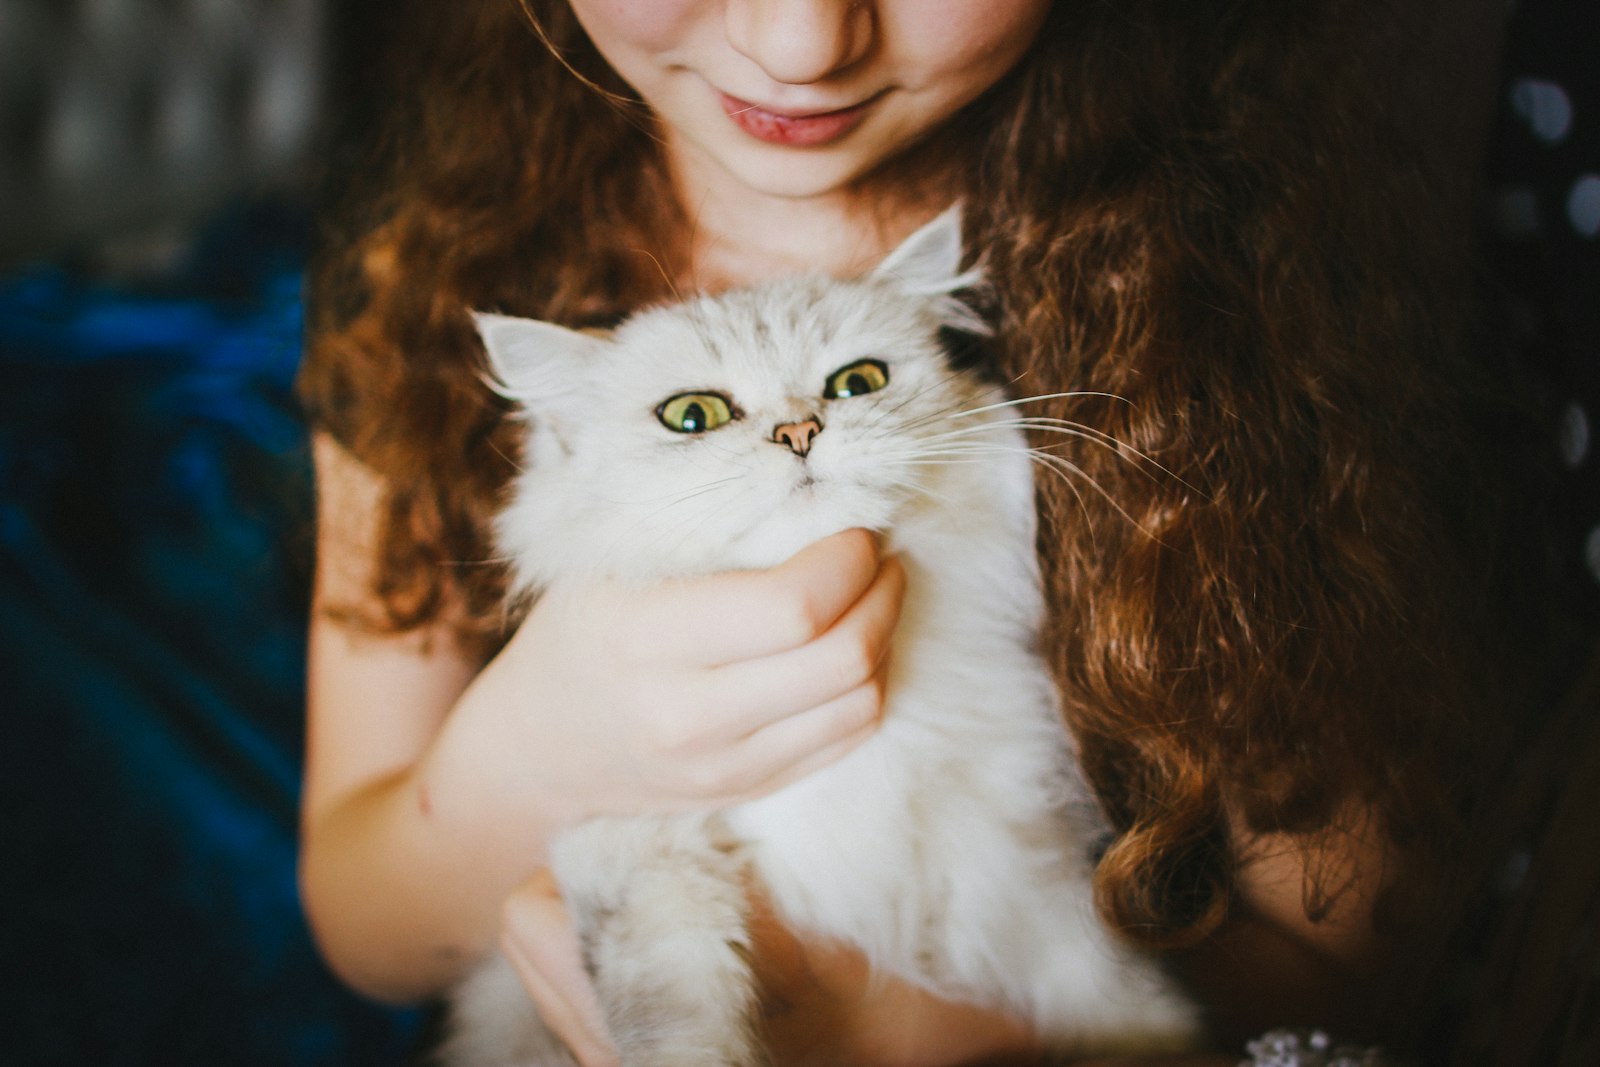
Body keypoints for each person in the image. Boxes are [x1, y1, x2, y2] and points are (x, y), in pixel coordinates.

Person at [295, 1, 1529, 1063]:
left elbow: (1353, 974)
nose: (799, 42)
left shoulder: (1259, 317)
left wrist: (925, 1037)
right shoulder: (414, 279)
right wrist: (529, 753)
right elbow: (365, 926)